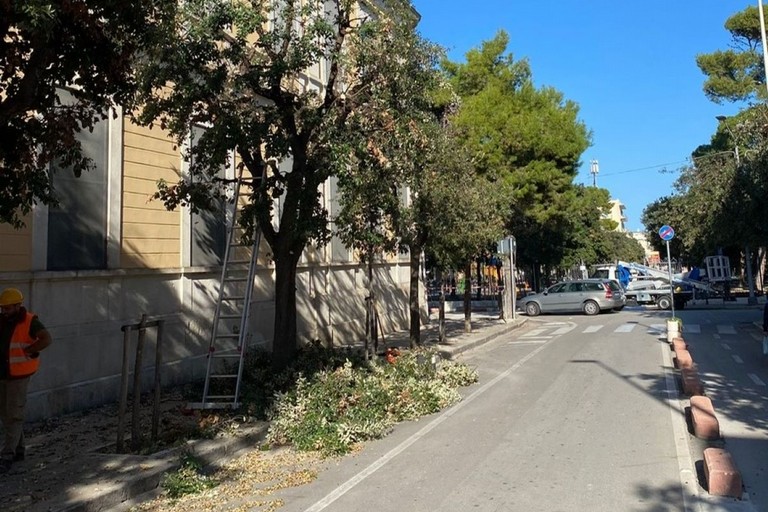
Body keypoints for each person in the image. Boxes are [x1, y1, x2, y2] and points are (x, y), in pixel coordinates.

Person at [0, 288, 52, 473]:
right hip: (4, 373)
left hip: (19, 375)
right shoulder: (2, 321)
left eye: (7, 308)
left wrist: (30, 350)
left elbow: (46, 339)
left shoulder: (30, 321)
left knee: (13, 414)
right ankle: (19, 450)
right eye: (2, 308)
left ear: (17, 306)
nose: (4, 311)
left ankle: (7, 456)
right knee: (7, 414)